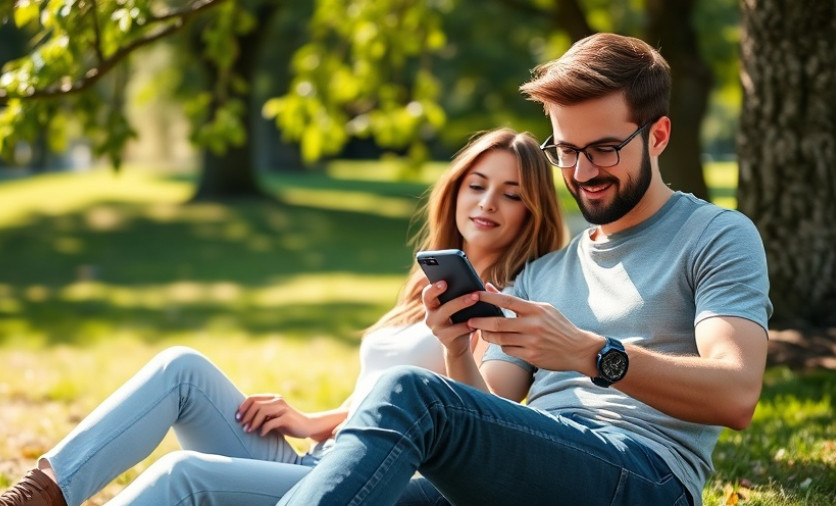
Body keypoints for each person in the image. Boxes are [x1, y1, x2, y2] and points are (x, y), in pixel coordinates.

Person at [0, 127, 566, 506]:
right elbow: (386, 398)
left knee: (183, 475)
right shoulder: (430, 280)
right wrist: (314, 419)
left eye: (511, 194)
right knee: (182, 368)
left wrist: (461, 346)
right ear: (455, 189)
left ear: (533, 212)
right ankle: (30, 499)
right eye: (478, 184)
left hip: (374, 488)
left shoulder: (516, 303)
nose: (488, 203)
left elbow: (490, 426)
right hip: (324, 460)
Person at [274, 32, 773, 506]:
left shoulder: (716, 235)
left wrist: (590, 353)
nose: (581, 173)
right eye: (567, 151)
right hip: (541, 467)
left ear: (658, 135)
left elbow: (736, 394)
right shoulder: (543, 273)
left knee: (409, 389)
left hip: (645, 475)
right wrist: (455, 351)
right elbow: (486, 418)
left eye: (603, 150)